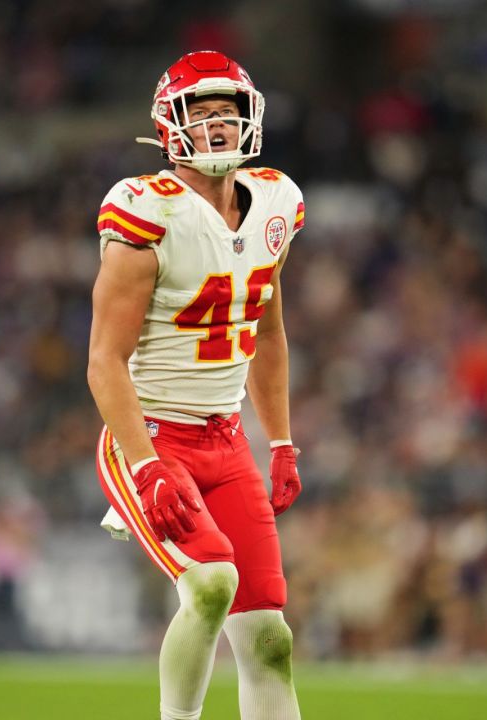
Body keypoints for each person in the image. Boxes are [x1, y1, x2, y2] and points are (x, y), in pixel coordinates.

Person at [87, 51, 305, 720]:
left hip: (227, 438)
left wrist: (283, 442)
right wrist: (148, 465)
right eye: (201, 113)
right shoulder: (146, 212)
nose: (217, 126)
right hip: (151, 437)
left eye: (228, 113)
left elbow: (266, 334)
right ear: (168, 127)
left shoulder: (275, 202)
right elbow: (104, 360)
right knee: (210, 584)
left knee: (269, 638)